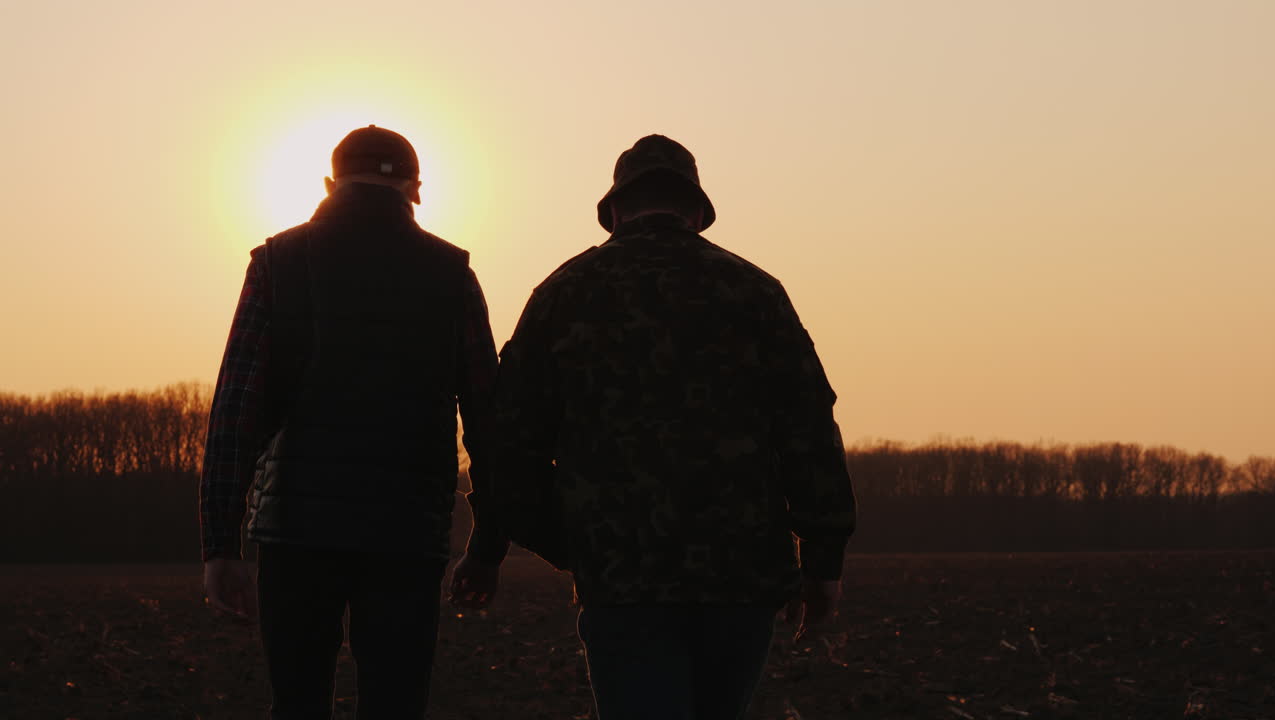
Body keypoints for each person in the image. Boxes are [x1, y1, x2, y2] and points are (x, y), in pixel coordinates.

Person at [493, 134, 856, 720]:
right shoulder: (756, 292)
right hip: (740, 576)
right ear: (696, 213)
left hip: (622, 581)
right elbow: (809, 430)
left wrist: (575, 545)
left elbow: (509, 443)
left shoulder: (564, 293)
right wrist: (823, 561)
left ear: (614, 212)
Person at [199, 125, 508, 719]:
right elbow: (488, 420)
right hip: (407, 533)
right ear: (417, 189)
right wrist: (488, 544)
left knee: (297, 703)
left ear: (327, 184)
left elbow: (236, 407)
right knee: (395, 704)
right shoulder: (453, 275)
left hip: (295, 529)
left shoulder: (276, 265)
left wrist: (220, 542)